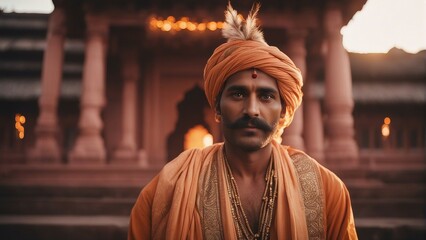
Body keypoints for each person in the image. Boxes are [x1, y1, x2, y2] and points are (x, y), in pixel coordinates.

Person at [128, 3, 357, 240]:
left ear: (283, 111)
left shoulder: (327, 191)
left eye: (266, 96)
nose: (251, 110)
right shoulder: (166, 190)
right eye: (238, 94)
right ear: (217, 107)